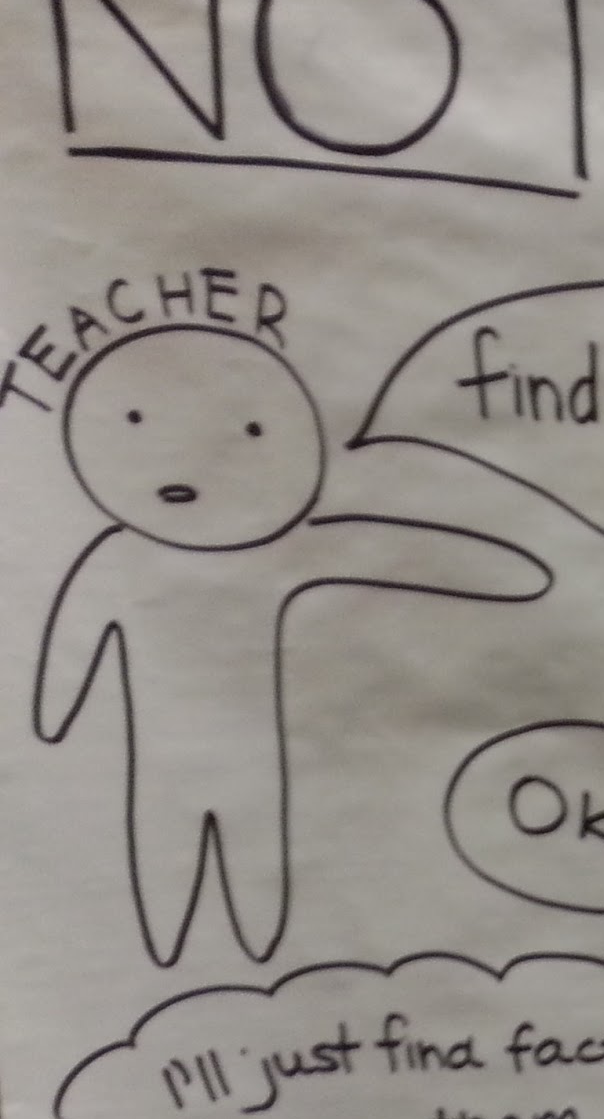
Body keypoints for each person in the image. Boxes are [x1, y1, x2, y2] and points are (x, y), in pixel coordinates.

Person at [36, 323, 552, 966]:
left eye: (248, 433)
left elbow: (398, 551)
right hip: (177, 764)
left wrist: (510, 573)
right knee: (173, 866)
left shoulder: (274, 550)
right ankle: (180, 954)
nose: (189, 467)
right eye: (136, 421)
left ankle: (248, 951)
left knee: (246, 868)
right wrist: (52, 713)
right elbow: (72, 648)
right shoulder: (122, 558)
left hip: (244, 758)